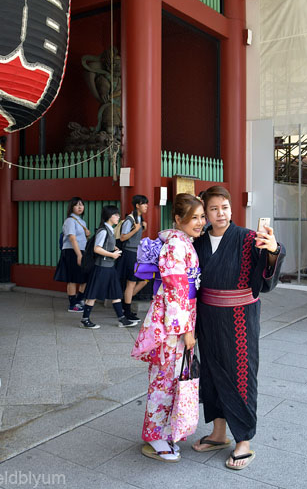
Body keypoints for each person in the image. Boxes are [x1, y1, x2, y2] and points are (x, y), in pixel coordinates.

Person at [192, 185, 285, 470]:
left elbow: (266, 278)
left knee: (241, 375)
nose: (221, 213)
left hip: (240, 318)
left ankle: (243, 439)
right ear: (205, 213)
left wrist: (272, 250)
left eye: (225, 207)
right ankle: (219, 433)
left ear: (232, 208)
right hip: (207, 316)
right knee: (210, 372)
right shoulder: (197, 243)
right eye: (214, 209)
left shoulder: (247, 238)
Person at [131, 193, 206, 462]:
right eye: (193, 217)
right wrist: (186, 330)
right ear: (178, 219)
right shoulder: (176, 244)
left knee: (172, 379)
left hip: (182, 318)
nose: (199, 222)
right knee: (163, 379)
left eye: (201, 217)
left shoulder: (185, 242)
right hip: (171, 325)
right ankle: (154, 436)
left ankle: (164, 431)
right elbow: (175, 289)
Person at [81, 205, 137, 330]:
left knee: (115, 292)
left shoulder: (109, 229)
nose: (118, 217)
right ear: (109, 216)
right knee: (93, 294)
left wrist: (113, 248)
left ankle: (122, 319)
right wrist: (112, 254)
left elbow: (104, 246)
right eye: (115, 215)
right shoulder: (103, 231)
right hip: (101, 268)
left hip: (109, 267)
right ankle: (85, 319)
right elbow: (97, 249)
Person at [54, 197, 90, 312]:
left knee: (85, 277)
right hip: (71, 251)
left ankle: (79, 300)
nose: (80, 207)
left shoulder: (81, 221)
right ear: (71, 207)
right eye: (77, 205)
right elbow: (72, 238)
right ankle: (72, 304)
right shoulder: (69, 221)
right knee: (72, 279)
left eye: (81, 205)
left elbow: (80, 238)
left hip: (81, 251)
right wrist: (79, 255)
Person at [117, 194, 149, 322]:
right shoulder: (130, 220)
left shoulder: (140, 219)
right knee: (131, 282)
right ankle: (127, 310)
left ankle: (126, 305)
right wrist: (136, 230)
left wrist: (141, 228)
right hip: (129, 253)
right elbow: (123, 237)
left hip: (136, 253)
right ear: (137, 205)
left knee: (142, 280)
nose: (146, 206)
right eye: (144, 203)